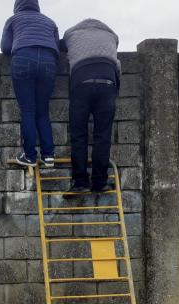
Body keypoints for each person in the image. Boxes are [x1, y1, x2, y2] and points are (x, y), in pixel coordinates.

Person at [61, 19, 121, 193]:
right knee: (102, 136)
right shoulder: (111, 36)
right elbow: (118, 67)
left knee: (79, 135)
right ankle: (100, 183)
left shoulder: (71, 34)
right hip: (108, 81)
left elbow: (60, 47)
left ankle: (80, 183)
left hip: (82, 82)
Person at [1, 0, 60, 168]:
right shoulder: (49, 21)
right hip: (49, 62)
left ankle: (30, 156)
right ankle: (48, 155)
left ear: (17, 6)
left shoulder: (13, 19)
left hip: (23, 58)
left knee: (28, 110)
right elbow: (57, 46)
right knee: (43, 110)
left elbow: (5, 47)